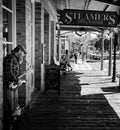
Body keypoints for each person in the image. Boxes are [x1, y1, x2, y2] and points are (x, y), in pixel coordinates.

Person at [3, 45, 27, 130]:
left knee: (14, 107)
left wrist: (22, 75)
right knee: (10, 108)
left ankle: (13, 124)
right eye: (23, 53)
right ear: (20, 51)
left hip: (14, 86)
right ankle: (8, 125)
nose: (23, 55)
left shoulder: (15, 59)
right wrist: (17, 80)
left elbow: (14, 72)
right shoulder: (10, 58)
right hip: (9, 86)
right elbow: (9, 72)